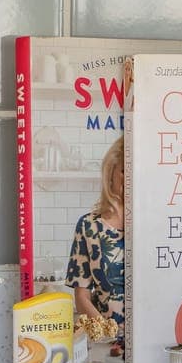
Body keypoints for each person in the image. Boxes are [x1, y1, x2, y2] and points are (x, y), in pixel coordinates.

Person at [66, 137, 125, 334]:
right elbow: (82, 295)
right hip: (107, 341)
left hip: (152, 338)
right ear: (111, 172)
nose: (130, 178)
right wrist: (107, 332)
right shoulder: (88, 226)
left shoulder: (153, 224)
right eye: (124, 171)